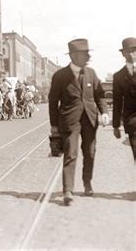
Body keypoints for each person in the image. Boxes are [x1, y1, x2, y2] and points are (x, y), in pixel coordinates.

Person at [48, 38, 109, 205]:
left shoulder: (91, 73)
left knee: (90, 152)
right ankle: (68, 189)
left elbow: (100, 96)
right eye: (84, 54)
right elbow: (53, 102)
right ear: (74, 55)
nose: (88, 57)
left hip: (90, 119)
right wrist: (54, 125)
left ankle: (87, 182)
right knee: (70, 153)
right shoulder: (60, 76)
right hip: (70, 121)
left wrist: (104, 112)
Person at [112, 37, 136, 162]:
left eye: (134, 50)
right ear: (123, 53)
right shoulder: (119, 76)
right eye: (128, 51)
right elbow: (117, 102)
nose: (132, 54)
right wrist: (116, 126)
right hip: (133, 123)